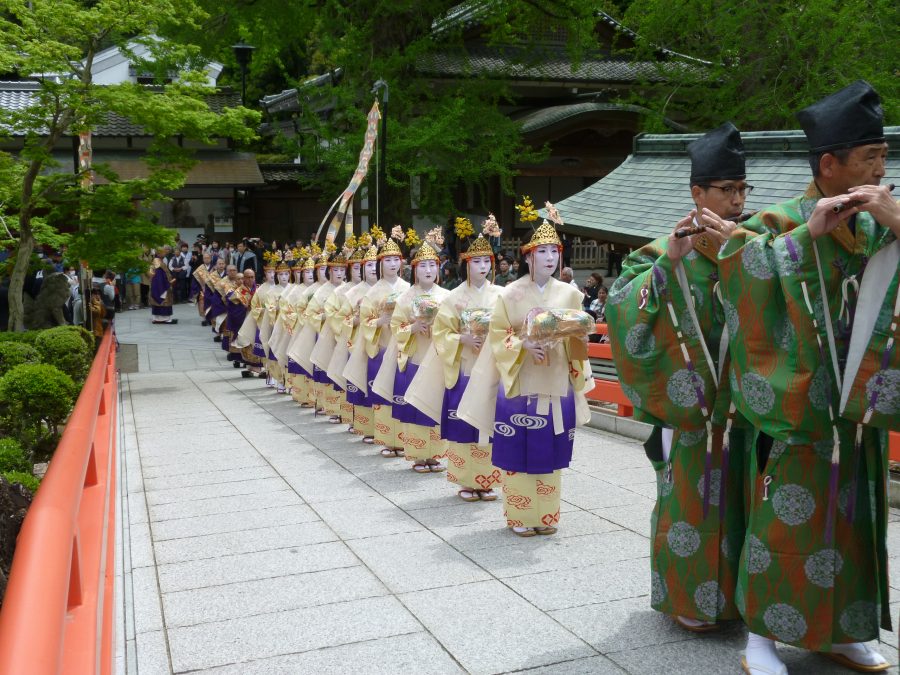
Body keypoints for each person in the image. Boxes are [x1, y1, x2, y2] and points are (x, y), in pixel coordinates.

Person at [717, 81, 896, 674]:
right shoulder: (780, 218)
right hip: (796, 403)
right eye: (868, 156)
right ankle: (760, 642)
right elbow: (738, 280)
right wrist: (806, 237)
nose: (880, 166)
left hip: (855, 404)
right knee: (783, 522)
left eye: (883, 154)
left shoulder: (879, 222)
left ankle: (840, 630)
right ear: (828, 163)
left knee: (851, 520)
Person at [605, 122, 754, 637]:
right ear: (697, 193)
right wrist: (670, 262)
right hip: (688, 407)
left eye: (741, 189)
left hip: (745, 406)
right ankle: (686, 597)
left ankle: (736, 600)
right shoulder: (658, 249)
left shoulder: (753, 243)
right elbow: (623, 303)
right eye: (725, 190)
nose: (736, 201)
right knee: (688, 499)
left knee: (743, 500)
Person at [458, 210, 594, 537]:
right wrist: (522, 344)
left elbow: (577, 335)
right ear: (528, 256)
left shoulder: (571, 293)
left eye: (554, 252)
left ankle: (546, 515)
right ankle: (519, 515)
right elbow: (497, 334)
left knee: (552, 447)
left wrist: (579, 336)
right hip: (519, 380)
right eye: (542, 252)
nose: (549, 257)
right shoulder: (510, 294)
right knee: (517, 445)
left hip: (556, 377)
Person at [410, 232, 503, 501]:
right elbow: (441, 334)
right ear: (466, 265)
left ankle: (487, 480)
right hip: (464, 366)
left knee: (488, 424)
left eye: (487, 260)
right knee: (464, 425)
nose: (482, 266)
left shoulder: (502, 295)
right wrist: (462, 338)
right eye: (476, 261)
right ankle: (466, 480)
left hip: (492, 367)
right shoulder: (453, 298)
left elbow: (511, 328)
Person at [375, 236, 450, 470]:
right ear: (415, 270)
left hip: (436, 358)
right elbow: (396, 327)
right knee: (416, 406)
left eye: (432, 265)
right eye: (423, 266)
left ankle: (436, 453)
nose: (428, 270)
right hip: (415, 355)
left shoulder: (447, 296)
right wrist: (413, 327)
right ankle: (418, 454)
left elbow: (453, 326)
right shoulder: (406, 297)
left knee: (435, 402)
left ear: (438, 269)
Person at [345, 234, 410, 455]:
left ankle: (404, 440)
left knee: (400, 392)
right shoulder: (372, 292)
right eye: (387, 261)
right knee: (383, 392)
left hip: (403, 346)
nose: (392, 264)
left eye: (395, 260)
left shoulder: (408, 288)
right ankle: (387, 438)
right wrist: (379, 321)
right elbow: (364, 321)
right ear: (381, 264)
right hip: (381, 346)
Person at [328, 239, 377, 433]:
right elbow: (339, 319)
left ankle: (384, 430)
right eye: (367, 265)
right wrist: (355, 320)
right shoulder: (351, 292)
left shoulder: (395, 289)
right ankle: (362, 423)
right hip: (356, 341)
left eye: (375, 264)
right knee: (359, 380)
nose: (372, 269)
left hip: (381, 342)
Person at [315, 246, 363, 424]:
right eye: (355, 267)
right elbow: (332, 315)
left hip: (365, 338)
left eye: (342, 269)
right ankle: (339, 410)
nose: (340, 273)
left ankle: (359, 417)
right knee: (340, 374)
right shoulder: (339, 292)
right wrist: (352, 321)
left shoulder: (367, 289)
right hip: (342, 337)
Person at [149, 256, 177, 324]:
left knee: (156, 298)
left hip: (155, 286)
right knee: (164, 299)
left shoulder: (152, 266)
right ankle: (166, 318)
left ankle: (156, 318)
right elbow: (164, 277)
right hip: (163, 286)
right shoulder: (161, 265)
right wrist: (169, 283)